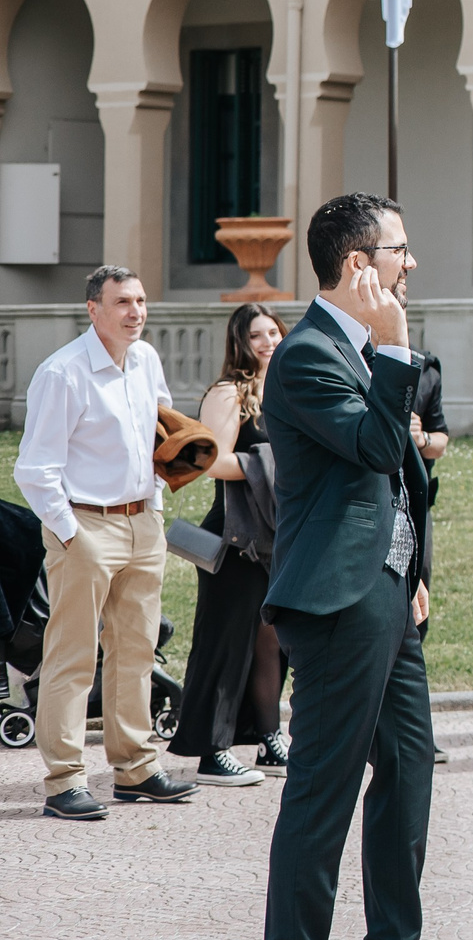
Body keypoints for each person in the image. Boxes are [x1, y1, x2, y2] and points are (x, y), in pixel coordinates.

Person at [258, 194, 469, 940]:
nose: (410, 262)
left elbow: (395, 480)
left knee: (410, 767)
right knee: (323, 790)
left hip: (388, 593)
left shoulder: (357, 349)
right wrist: (397, 350)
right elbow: (383, 447)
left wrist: (414, 568)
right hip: (338, 600)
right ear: (358, 265)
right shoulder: (309, 354)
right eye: (399, 250)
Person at [15, 264, 187, 820]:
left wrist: (155, 510)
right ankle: (64, 779)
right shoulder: (62, 373)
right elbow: (35, 470)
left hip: (142, 523)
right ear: (94, 310)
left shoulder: (146, 360)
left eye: (140, 301)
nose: (135, 312)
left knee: (136, 652)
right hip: (84, 526)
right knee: (70, 657)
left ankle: (135, 767)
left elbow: (159, 438)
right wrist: (73, 536)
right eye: (122, 303)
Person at [173, 303, 290, 788]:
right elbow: (210, 461)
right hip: (234, 532)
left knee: (272, 642)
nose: (267, 342)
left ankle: (268, 738)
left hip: (276, 533)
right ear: (240, 342)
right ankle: (210, 750)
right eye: (257, 335)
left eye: (274, 332)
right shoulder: (229, 393)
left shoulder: (286, 389)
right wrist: (274, 462)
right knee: (226, 642)